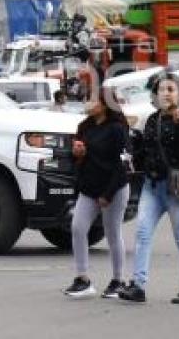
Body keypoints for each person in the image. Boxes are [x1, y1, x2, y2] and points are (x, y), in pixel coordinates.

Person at [119, 73, 179, 305]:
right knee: (142, 233)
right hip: (152, 186)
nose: (166, 93)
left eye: (171, 89)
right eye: (161, 89)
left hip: (177, 187)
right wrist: (131, 158)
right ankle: (138, 285)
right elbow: (146, 150)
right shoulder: (153, 119)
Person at [63, 90, 131, 299]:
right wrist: (76, 153)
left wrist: (108, 194)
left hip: (114, 188)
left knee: (112, 232)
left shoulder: (118, 129)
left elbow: (123, 165)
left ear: (104, 104)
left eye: (92, 99)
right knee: (77, 227)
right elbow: (76, 158)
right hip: (89, 188)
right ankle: (82, 278)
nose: (87, 102)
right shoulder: (85, 127)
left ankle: (118, 281)